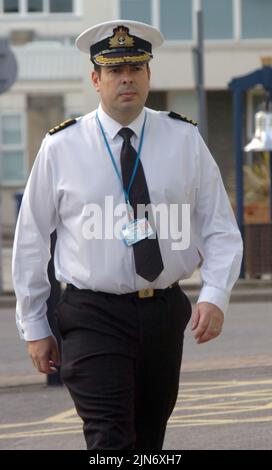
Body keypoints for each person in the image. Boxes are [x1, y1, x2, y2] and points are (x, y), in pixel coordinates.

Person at [12, 20, 243, 450]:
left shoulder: (183, 137)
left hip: (163, 311)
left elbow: (220, 227)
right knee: (110, 437)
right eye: (115, 71)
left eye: (136, 69)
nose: (126, 79)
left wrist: (215, 294)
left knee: (149, 440)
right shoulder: (61, 146)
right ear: (95, 79)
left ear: (149, 77)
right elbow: (30, 240)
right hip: (91, 313)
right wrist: (33, 324)